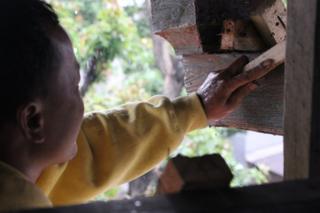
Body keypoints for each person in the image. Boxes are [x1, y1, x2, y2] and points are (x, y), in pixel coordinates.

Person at [0, 0, 273, 211]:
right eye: (74, 85)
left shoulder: (27, 166)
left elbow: (96, 146)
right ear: (34, 121)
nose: (82, 109)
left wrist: (197, 107)